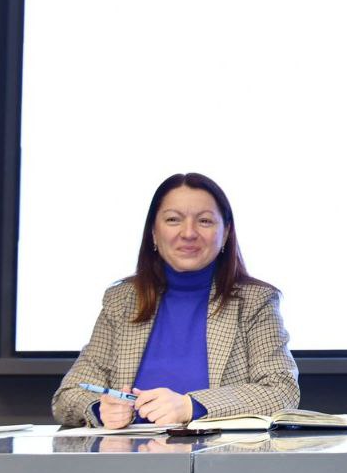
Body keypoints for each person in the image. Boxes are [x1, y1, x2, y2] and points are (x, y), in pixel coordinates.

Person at [53, 172, 300, 427]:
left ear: (225, 233)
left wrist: (191, 406)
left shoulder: (255, 301)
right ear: (153, 232)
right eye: (173, 219)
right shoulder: (121, 300)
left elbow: (281, 391)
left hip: (220, 452)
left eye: (204, 221)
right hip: (130, 452)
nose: (188, 233)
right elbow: (68, 395)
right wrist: (100, 409)